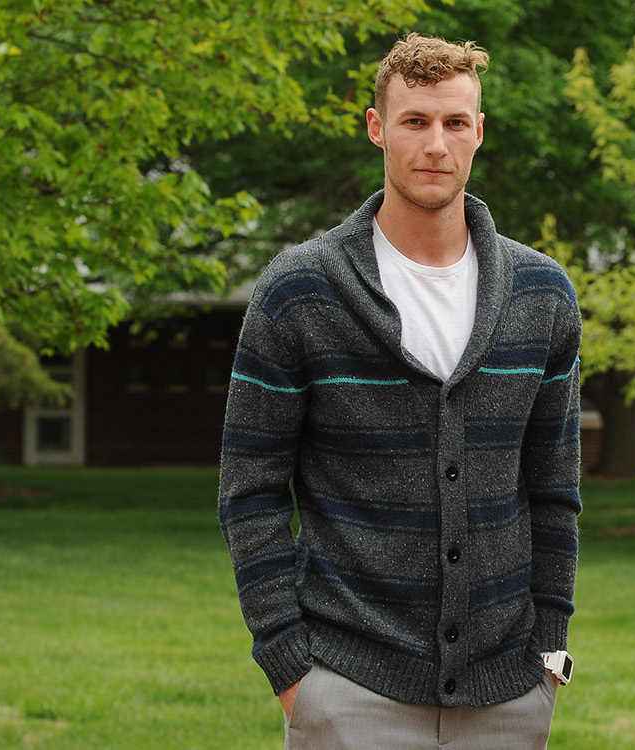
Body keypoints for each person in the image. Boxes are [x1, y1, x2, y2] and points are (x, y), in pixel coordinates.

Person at [218, 33, 582, 750]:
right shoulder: (301, 290)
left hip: (508, 694)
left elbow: (554, 485)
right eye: (415, 121)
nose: (435, 145)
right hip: (347, 688)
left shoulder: (543, 295)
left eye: (454, 123)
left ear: (479, 132)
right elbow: (250, 487)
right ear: (377, 127)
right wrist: (291, 667)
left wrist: (551, 648)